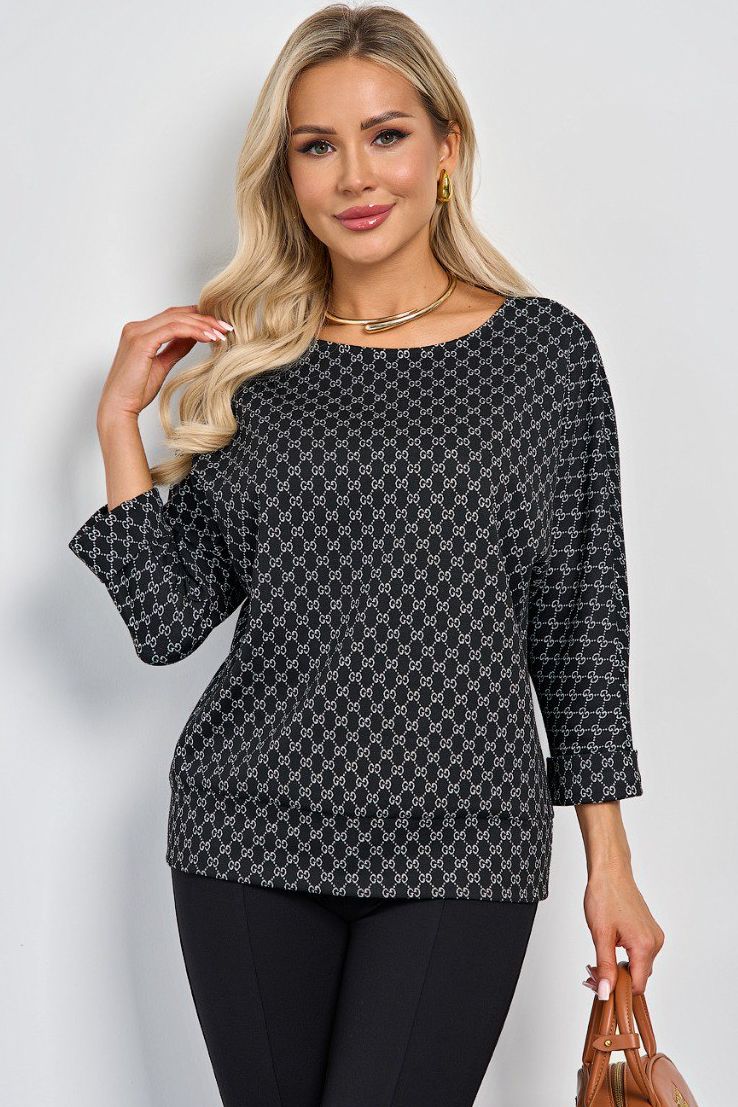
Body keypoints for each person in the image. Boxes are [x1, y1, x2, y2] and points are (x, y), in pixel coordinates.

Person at [67, 5, 665, 1105]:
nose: (354, 175)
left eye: (386, 135)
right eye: (317, 145)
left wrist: (610, 868)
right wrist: (118, 426)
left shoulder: (545, 355)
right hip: (247, 835)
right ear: (287, 174)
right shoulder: (261, 366)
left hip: (464, 844)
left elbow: (582, 624)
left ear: (446, 149)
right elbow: (166, 622)